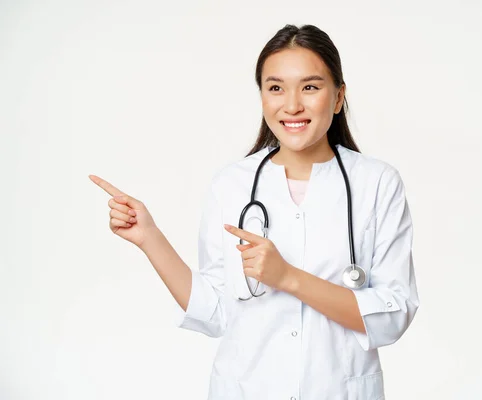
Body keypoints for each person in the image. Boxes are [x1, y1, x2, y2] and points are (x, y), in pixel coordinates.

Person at [90, 24, 419, 400]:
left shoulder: (377, 183)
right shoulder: (232, 184)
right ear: (262, 96)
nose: (292, 104)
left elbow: (393, 315)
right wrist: (149, 238)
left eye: (310, 87)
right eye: (275, 87)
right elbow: (215, 312)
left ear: (339, 96)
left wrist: (287, 277)